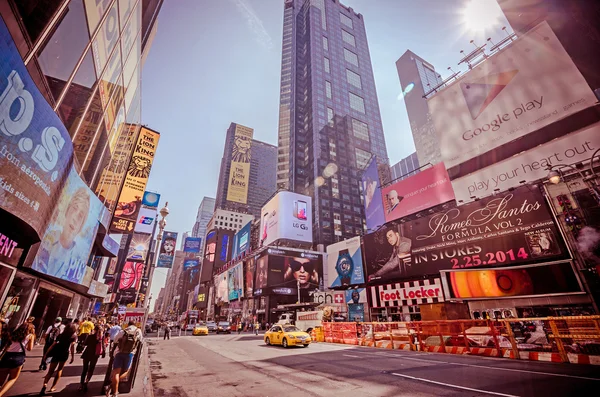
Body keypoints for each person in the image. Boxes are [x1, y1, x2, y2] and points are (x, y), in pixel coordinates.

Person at [31, 188, 91, 283]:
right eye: (74, 208)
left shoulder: (78, 260)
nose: (75, 218)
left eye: (80, 216)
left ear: (81, 226)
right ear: (67, 211)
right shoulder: (47, 237)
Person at [40, 319, 77, 395]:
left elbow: (53, 345)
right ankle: (52, 387)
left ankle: (45, 385)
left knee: (50, 371)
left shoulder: (60, 335)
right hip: (64, 353)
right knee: (59, 369)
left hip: (56, 352)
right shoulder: (73, 336)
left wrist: (46, 354)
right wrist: (72, 357)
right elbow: (72, 347)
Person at [107, 321, 142, 397]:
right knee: (126, 371)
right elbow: (140, 342)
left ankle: (115, 392)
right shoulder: (138, 331)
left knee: (116, 372)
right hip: (130, 354)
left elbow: (115, 340)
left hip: (119, 352)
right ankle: (112, 384)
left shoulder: (124, 331)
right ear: (135, 325)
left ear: (128, 325)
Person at [0, 323, 35, 397]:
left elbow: (7, 346)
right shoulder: (30, 336)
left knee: (1, 379)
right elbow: (30, 348)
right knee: (12, 378)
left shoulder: (13, 334)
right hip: (18, 357)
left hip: (7, 356)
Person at [79, 326, 105, 392]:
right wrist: (103, 353)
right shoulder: (101, 337)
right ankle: (86, 382)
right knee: (91, 369)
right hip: (95, 355)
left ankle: (81, 384)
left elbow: (85, 343)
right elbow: (103, 345)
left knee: (85, 369)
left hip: (87, 353)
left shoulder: (90, 336)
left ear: (95, 330)